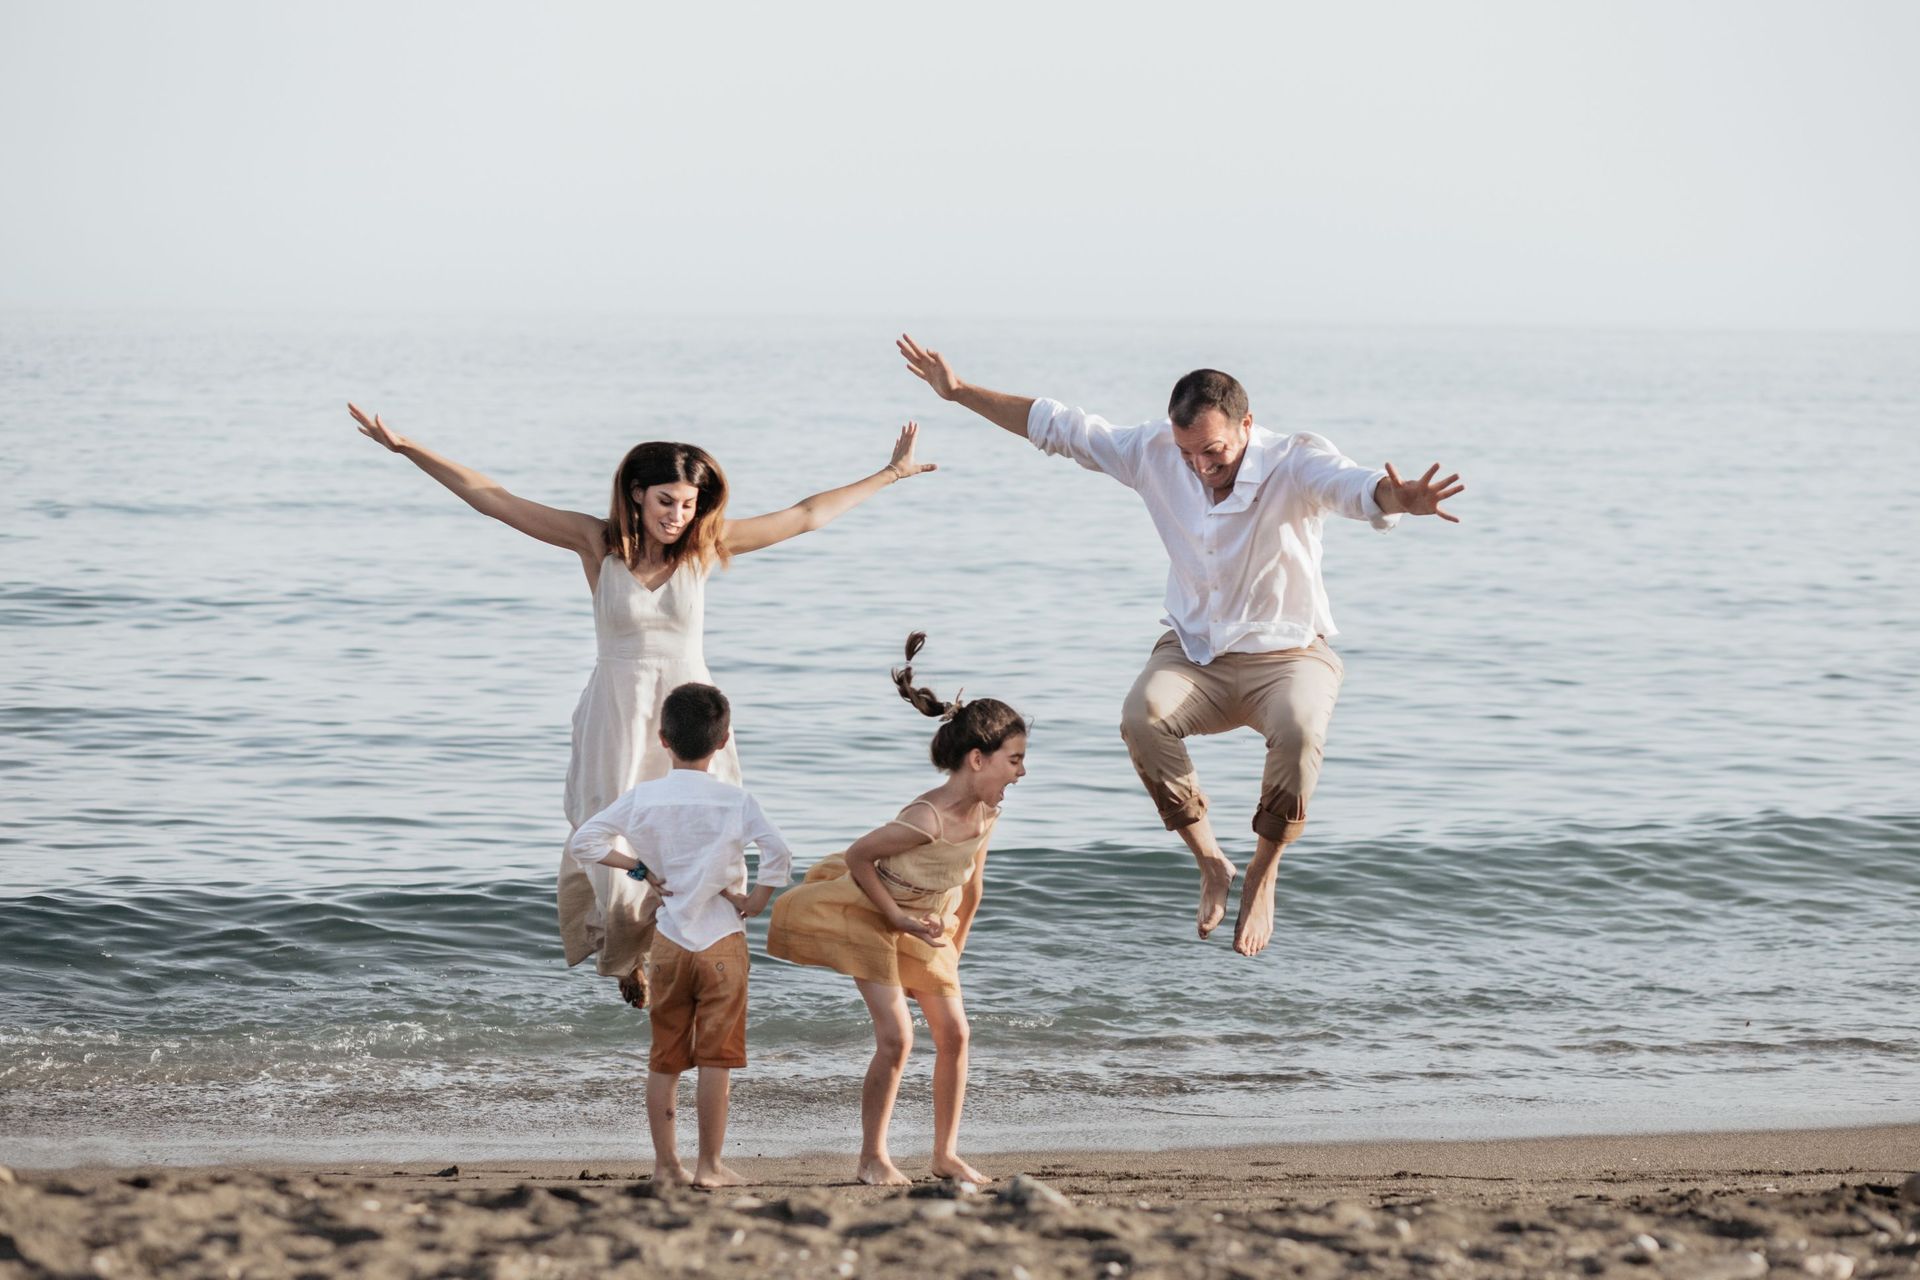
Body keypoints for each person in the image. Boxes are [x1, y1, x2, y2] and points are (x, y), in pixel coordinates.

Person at [895, 334, 1463, 958]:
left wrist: (1399, 500)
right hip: (1195, 653)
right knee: (1141, 718)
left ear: (1247, 424)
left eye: (1213, 450)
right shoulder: (1156, 451)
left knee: (1300, 732)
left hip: (1289, 653)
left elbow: (1354, 488)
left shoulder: (1296, 459)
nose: (1200, 465)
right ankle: (1213, 862)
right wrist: (957, 391)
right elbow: (1056, 425)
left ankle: (1263, 871)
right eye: (1189, 452)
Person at [348, 403, 934, 1006]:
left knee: (700, 830)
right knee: (616, 831)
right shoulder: (595, 543)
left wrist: (892, 473)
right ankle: (629, 954)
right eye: (665, 502)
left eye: (688, 504)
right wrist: (409, 449)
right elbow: (494, 498)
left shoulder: (705, 547)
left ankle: (689, 952)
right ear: (635, 493)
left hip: (691, 709)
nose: (678, 516)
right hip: (617, 711)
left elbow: (807, 515)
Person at [766, 634, 1025, 1186]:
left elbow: (971, 887)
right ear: (977, 759)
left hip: (928, 922)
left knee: (955, 1034)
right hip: (869, 910)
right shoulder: (926, 817)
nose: (1021, 772)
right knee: (898, 1037)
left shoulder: (986, 812)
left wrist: (952, 953)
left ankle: (944, 1155)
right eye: (1015, 760)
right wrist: (897, 918)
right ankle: (872, 1158)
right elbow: (860, 856)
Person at [566, 682, 791, 1188]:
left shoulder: (643, 798)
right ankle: (710, 1166)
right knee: (717, 1059)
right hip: (722, 944)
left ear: (664, 739)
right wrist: (755, 901)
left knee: (665, 1058)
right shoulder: (736, 801)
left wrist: (639, 869)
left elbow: (586, 841)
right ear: (723, 741)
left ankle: (667, 1167)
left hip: (668, 943)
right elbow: (779, 853)